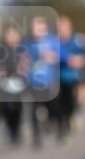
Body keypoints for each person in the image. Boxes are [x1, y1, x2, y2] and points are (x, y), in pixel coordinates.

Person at [22, 15, 60, 148]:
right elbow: (24, 57)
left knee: (51, 107)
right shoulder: (27, 42)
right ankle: (36, 137)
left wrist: (53, 57)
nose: (36, 30)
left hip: (48, 81)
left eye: (39, 27)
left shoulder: (52, 40)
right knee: (33, 110)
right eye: (34, 27)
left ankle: (52, 123)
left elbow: (60, 56)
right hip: (33, 81)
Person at [56, 15, 85, 141]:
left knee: (71, 102)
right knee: (59, 104)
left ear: (69, 27)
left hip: (73, 77)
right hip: (58, 78)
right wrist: (66, 59)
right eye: (59, 27)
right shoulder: (54, 41)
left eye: (63, 26)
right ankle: (62, 126)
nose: (61, 29)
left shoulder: (77, 40)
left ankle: (71, 117)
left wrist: (79, 60)